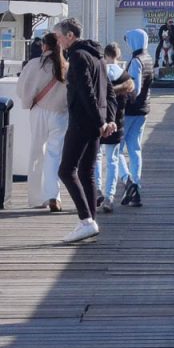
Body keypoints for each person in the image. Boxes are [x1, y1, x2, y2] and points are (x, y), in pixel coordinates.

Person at [54, 18, 115, 243]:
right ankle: (91, 222)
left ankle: (86, 220)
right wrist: (109, 120)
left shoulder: (78, 57)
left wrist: (102, 122)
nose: (58, 42)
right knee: (86, 171)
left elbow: (86, 93)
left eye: (59, 36)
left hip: (82, 122)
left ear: (70, 35)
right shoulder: (97, 57)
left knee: (66, 170)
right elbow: (108, 92)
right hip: (95, 123)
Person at [16, 32, 69, 211]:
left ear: (44, 46)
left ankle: (36, 198)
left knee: (37, 152)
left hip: (39, 110)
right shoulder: (66, 66)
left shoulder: (33, 64)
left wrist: (28, 100)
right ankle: (53, 195)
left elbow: (21, 89)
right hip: (60, 113)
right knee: (54, 155)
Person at [122, 29, 154, 207]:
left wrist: (120, 92)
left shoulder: (136, 61)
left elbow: (135, 88)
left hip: (131, 110)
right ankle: (137, 184)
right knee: (135, 149)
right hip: (144, 109)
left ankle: (128, 181)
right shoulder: (148, 58)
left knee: (117, 150)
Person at [101, 43, 134, 212]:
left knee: (95, 158)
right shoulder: (125, 77)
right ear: (118, 55)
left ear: (104, 55)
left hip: (98, 122)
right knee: (112, 159)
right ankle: (109, 196)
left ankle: (96, 191)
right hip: (117, 122)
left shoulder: (99, 74)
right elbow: (133, 97)